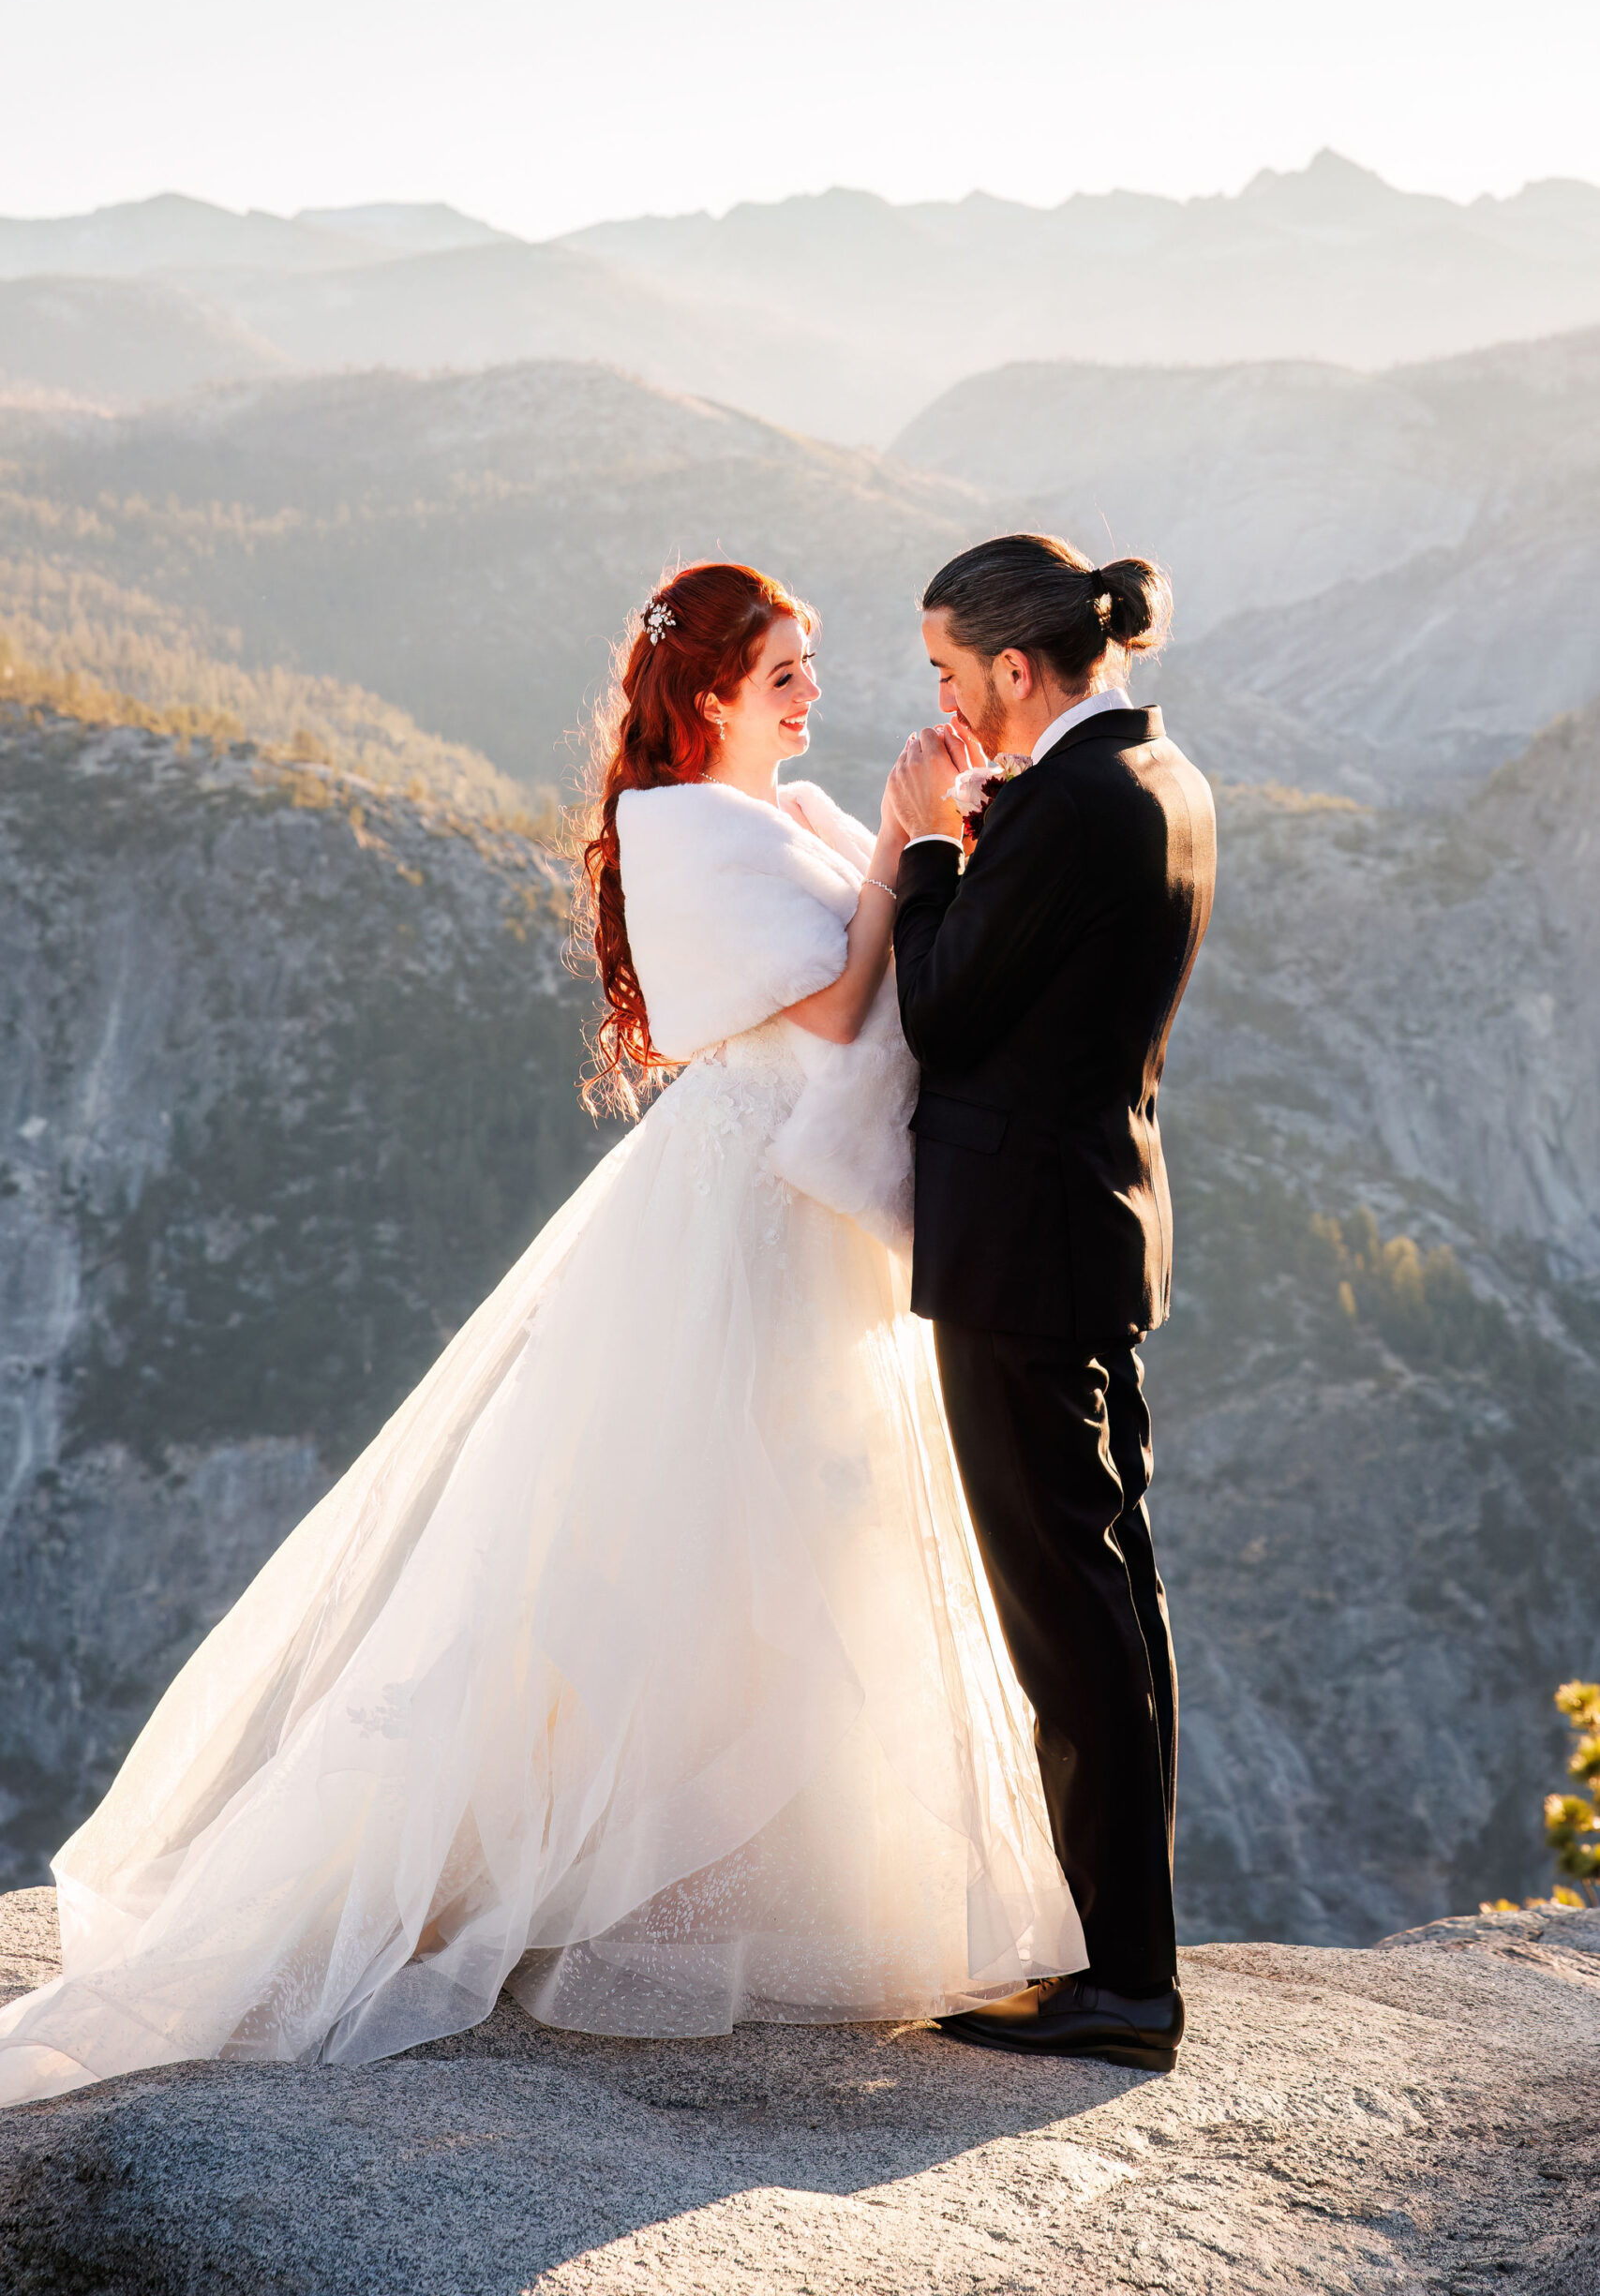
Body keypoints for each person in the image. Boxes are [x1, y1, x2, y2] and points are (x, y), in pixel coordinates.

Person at [0, 560, 1083, 2110]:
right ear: (710, 695)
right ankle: (617, 1893)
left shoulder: (790, 809)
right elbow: (839, 1011)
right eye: (787, 670)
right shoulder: (686, 829)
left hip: (811, 1214)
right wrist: (912, 843)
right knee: (709, 1537)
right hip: (746, 1227)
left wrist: (942, 831)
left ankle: (778, 1898)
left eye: (813, 664)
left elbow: (912, 946)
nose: (813, 690)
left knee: (807, 1537)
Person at [887, 532, 1216, 2071]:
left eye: (955, 676)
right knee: (1107, 1598)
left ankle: (1121, 1984)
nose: (950, 705)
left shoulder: (1067, 808)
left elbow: (948, 1008)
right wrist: (990, 826)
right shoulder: (1156, 777)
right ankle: (1121, 1956)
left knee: (1064, 1616)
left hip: (1020, 1248)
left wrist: (930, 847)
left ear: (1016, 670)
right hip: (1087, 1225)